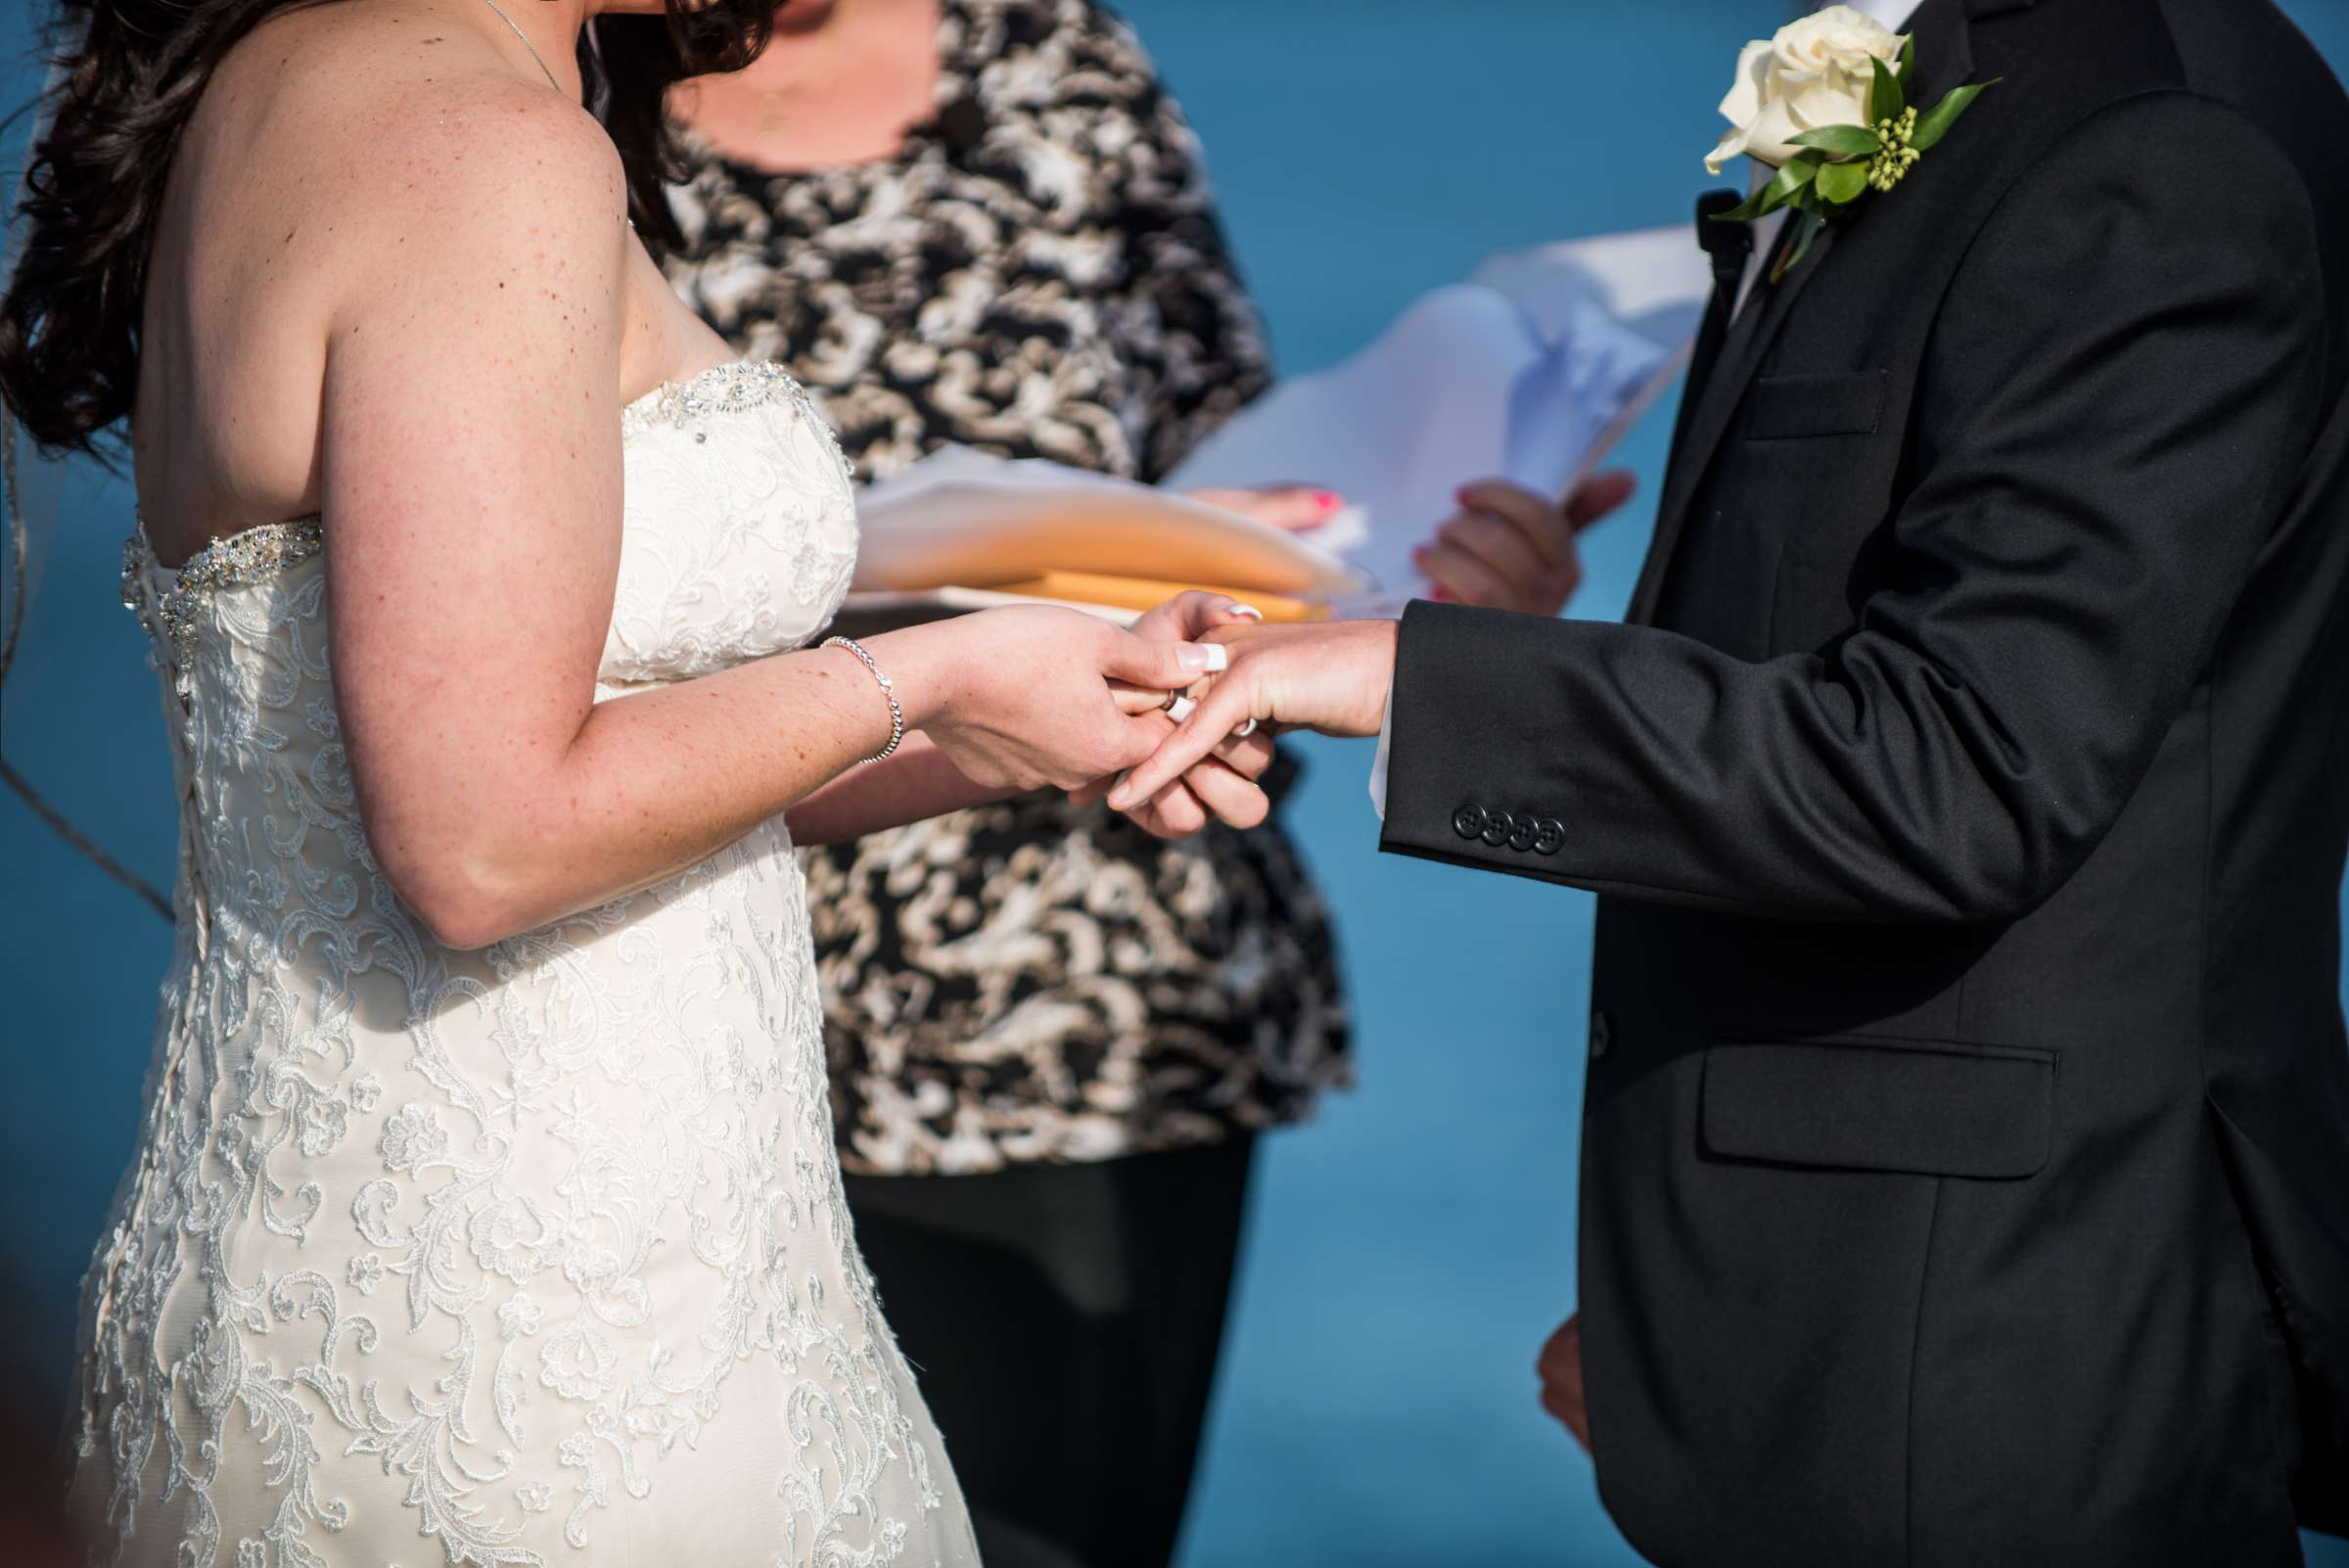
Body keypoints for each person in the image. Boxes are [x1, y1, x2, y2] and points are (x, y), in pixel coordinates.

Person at [0, 0, 1274, 1561]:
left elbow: (552, 733)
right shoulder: (486, 147)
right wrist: (930, 669)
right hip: (555, 1318)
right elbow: (481, 837)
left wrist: (990, 722)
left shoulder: (290, 84)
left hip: (341, 1248)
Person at [1112, 0, 2349, 1562]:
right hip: (1856, 1309)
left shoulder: (2153, 149)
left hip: (1995, 1361)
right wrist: (1691, 1289)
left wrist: (1410, 676)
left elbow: (1963, 767)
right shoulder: (2011, 80)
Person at [661, 4, 1630, 1561]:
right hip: (680, 992)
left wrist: (1428, 600)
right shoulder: (547, 91)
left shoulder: (1049, 53)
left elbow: (1247, 487)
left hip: (1098, 1010)